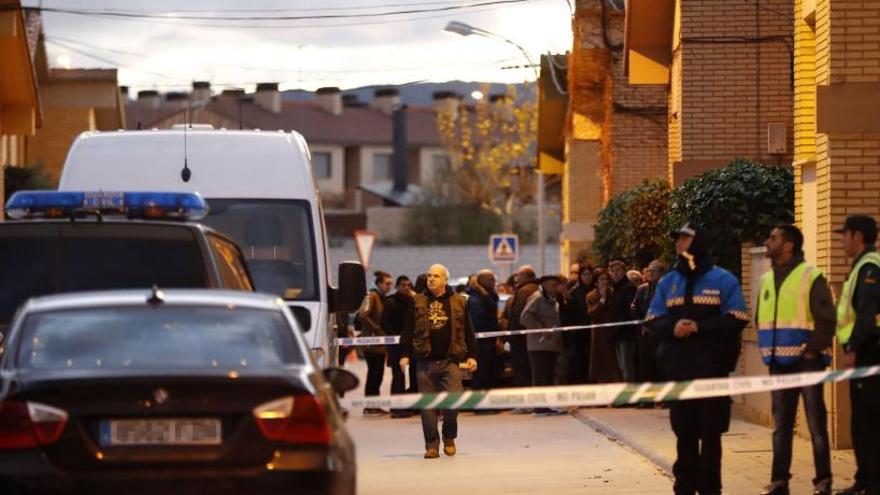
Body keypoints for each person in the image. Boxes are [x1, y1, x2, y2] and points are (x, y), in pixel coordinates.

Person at [646, 221, 749, 495]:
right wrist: (673, 328)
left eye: (684, 239)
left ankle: (710, 489)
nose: (679, 243)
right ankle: (684, 487)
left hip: (712, 372)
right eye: (678, 239)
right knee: (685, 435)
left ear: (698, 242)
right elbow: (653, 319)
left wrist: (699, 327)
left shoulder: (723, 279)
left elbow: (738, 318)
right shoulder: (669, 281)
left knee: (711, 436)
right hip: (679, 373)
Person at [756, 225, 835, 495]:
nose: (767, 241)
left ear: (788, 245)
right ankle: (779, 482)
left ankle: (822, 481)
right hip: (778, 363)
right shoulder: (766, 280)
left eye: (773, 238)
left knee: (816, 426)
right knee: (782, 427)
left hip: (807, 362)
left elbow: (827, 319)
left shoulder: (810, 276)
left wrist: (812, 350)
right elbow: (761, 318)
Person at [399, 264, 477, 459]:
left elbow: (469, 330)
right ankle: (431, 446)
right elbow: (407, 329)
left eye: (436, 276)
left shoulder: (459, 301)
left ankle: (449, 436)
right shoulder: (417, 301)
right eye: (429, 276)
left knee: (453, 403)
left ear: (445, 280)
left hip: (450, 362)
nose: (431, 279)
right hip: (424, 362)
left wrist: (472, 356)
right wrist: (404, 354)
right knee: (427, 408)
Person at [834, 215, 880, 495]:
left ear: (858, 236)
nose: (841, 239)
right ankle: (865, 480)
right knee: (864, 421)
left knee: (867, 422)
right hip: (868, 352)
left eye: (845, 234)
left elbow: (866, 313)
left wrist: (853, 348)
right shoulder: (863, 266)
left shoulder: (869, 268)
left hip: (869, 353)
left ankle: (870, 484)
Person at [521, 274, 565, 415]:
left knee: (548, 376)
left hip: (550, 345)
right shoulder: (537, 298)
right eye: (554, 285)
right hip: (538, 345)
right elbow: (525, 317)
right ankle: (539, 407)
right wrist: (541, 328)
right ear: (545, 285)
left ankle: (546, 405)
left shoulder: (552, 299)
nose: (556, 288)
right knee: (540, 376)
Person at [357, 270, 393, 416]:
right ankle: (370, 407)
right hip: (372, 343)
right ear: (379, 283)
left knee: (377, 374)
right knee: (374, 374)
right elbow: (362, 314)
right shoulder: (371, 296)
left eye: (391, 284)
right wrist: (376, 329)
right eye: (387, 283)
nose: (389, 286)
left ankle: (373, 405)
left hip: (379, 343)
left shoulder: (381, 297)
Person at [382, 275, 418, 419]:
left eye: (409, 285)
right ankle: (396, 408)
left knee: (411, 376)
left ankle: (409, 405)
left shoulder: (412, 301)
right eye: (403, 285)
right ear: (397, 286)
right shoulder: (390, 302)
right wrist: (395, 339)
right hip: (396, 346)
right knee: (399, 376)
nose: (407, 288)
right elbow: (384, 323)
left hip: (410, 345)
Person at [467, 270, 501, 404]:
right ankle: (480, 403)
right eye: (491, 279)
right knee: (482, 372)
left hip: (488, 340)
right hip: (482, 342)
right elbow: (480, 322)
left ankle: (488, 402)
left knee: (489, 371)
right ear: (483, 281)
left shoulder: (486, 295)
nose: (494, 282)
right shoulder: (478, 298)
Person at [632, 259, 666, 386]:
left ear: (662, 273)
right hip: (645, 333)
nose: (650, 273)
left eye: (654, 271)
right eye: (649, 270)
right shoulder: (642, 289)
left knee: (661, 365)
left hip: (661, 332)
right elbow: (634, 309)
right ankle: (646, 397)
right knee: (645, 365)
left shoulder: (667, 289)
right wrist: (643, 324)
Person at [506, 266, 539, 391]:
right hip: (535, 338)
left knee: (522, 369)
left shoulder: (523, 292)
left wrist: (511, 335)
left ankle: (524, 401)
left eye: (518, 275)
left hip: (520, 338)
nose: (516, 278)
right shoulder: (538, 289)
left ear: (525, 276)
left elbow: (516, 316)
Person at [561, 264, 592, 384]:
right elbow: (570, 312)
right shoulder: (575, 292)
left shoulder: (594, 290)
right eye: (584, 274)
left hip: (591, 330)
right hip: (579, 333)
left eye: (589, 274)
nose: (587, 277)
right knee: (579, 360)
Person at [588, 267, 620, 383]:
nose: (605, 282)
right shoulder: (591, 296)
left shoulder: (613, 292)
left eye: (606, 279)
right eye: (602, 279)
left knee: (614, 364)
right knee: (600, 364)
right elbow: (592, 313)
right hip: (599, 334)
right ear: (596, 282)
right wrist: (602, 300)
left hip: (613, 331)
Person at [609, 260, 639, 383]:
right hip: (617, 333)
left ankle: (630, 395)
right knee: (622, 366)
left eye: (618, 270)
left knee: (627, 366)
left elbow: (628, 311)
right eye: (613, 271)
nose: (615, 274)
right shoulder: (614, 289)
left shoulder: (629, 288)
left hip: (626, 333)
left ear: (624, 271)